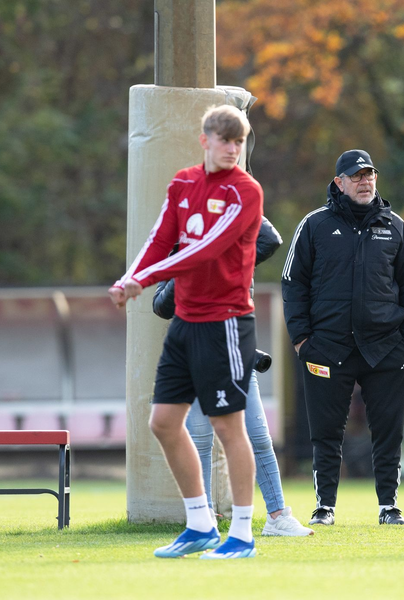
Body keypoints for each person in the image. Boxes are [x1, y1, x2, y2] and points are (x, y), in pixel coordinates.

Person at [108, 104, 264, 559]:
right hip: (186, 322)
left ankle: (241, 534)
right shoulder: (182, 183)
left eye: (239, 141)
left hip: (226, 322)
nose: (233, 149)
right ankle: (199, 525)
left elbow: (206, 250)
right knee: (162, 423)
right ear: (205, 140)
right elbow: (160, 238)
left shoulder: (245, 191)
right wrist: (128, 278)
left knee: (227, 426)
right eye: (225, 140)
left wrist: (145, 280)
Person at [282, 149, 404, 526]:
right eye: (356, 176)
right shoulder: (314, 225)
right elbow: (292, 284)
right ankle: (324, 507)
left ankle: (389, 507)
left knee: (389, 432)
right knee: (326, 433)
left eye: (370, 175)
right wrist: (301, 340)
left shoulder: (394, 225)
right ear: (339, 183)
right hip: (326, 348)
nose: (365, 181)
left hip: (387, 348)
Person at [151, 215, 313, 538]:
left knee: (259, 436)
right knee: (200, 439)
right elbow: (160, 305)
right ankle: (204, 518)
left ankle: (278, 516)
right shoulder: (178, 247)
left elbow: (271, 240)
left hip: (236, 353)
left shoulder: (236, 242)